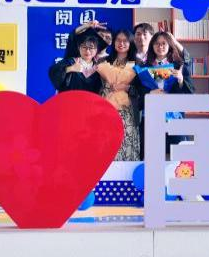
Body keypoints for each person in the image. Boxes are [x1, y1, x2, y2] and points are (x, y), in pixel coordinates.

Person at [139, 31, 194, 159]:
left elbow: (190, 93)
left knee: (178, 158)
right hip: (151, 119)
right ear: (152, 46)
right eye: (157, 43)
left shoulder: (179, 66)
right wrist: (149, 93)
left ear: (169, 45)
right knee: (151, 156)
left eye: (164, 43)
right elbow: (137, 92)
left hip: (174, 119)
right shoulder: (143, 67)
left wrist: (180, 80)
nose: (160, 46)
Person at [96, 30, 141, 161]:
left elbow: (141, 89)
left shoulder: (138, 63)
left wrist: (126, 87)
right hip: (105, 109)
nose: (121, 43)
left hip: (127, 112)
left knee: (126, 144)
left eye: (125, 41)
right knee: (107, 145)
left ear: (131, 43)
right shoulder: (103, 61)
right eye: (118, 40)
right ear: (114, 42)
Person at [49, 29, 104, 93]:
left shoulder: (99, 68)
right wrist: (70, 69)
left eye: (91, 48)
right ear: (79, 48)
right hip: (71, 98)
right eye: (84, 47)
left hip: (90, 99)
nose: (87, 51)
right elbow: (53, 72)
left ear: (96, 50)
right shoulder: (71, 62)